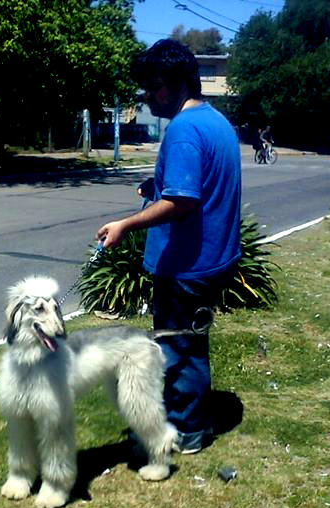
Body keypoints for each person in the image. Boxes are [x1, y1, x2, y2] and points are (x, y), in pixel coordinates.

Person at [96, 39, 242, 454]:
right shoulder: (215, 121)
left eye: (155, 87)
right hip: (213, 259)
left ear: (180, 84)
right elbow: (197, 184)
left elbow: (183, 202)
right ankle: (192, 419)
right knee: (190, 343)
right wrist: (156, 186)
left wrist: (126, 224)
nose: (148, 96)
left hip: (186, 266)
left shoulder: (182, 130)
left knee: (177, 347)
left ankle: (186, 430)